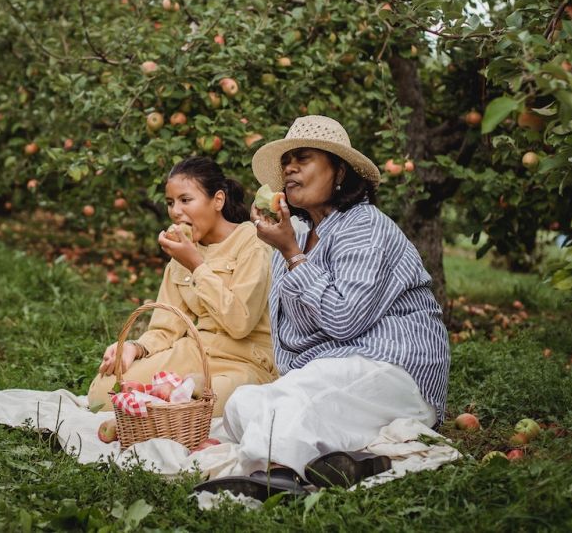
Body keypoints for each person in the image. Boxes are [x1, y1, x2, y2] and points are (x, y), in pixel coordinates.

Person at [204, 115, 450, 489]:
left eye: (303, 158)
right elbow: (293, 333)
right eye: (287, 161)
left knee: (292, 408)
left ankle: (277, 476)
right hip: (334, 368)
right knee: (242, 405)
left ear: (339, 172)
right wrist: (287, 247)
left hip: (395, 368)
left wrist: (290, 254)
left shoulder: (364, 224)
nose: (290, 168)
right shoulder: (297, 236)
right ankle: (358, 460)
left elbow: (344, 320)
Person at [86, 156, 278, 416]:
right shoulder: (182, 251)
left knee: (204, 402)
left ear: (218, 200)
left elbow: (240, 323)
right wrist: (136, 347)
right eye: (170, 203)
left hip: (242, 362)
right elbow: (166, 327)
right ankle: (173, 396)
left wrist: (197, 265)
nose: (175, 211)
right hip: (195, 353)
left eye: (185, 200)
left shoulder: (252, 242)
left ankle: (176, 398)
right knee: (103, 392)